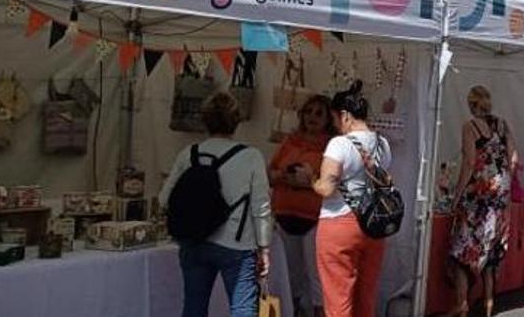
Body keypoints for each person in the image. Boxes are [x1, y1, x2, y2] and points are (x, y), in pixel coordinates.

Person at [162, 92, 271, 317]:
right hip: (236, 243)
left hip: (194, 240)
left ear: (205, 120)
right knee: (242, 309)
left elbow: (165, 198)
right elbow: (261, 208)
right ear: (236, 121)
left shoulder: (189, 153)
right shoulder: (251, 156)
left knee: (194, 307)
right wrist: (264, 248)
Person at [312, 81, 390, 317]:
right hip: (373, 224)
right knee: (366, 295)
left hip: (339, 222)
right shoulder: (383, 144)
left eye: (335, 119)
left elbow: (326, 188)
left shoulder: (339, 144)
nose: (336, 125)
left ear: (345, 116)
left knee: (338, 298)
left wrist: (310, 179)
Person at [448, 86, 517, 317]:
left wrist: (456, 196)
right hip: (498, 199)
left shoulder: (470, 127)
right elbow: (513, 159)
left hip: (477, 197)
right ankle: (488, 306)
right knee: (490, 255)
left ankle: (461, 304)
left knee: (461, 253)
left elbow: (468, 163)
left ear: (471, 104)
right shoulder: (503, 125)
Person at [268, 94, 333, 317]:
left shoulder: (332, 147)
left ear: (328, 119)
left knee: (316, 278)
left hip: (314, 220)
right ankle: (292, 312)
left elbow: (333, 184)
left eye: (319, 113)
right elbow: (270, 172)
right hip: (285, 217)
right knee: (288, 275)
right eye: (308, 112)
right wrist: (285, 176)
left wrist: (309, 181)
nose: (312, 117)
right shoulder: (291, 141)